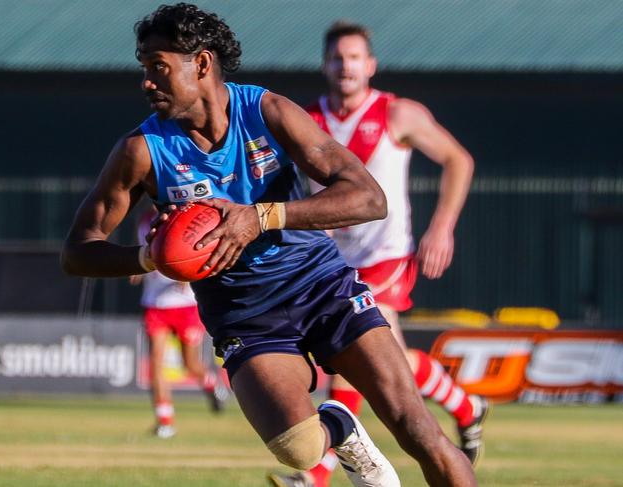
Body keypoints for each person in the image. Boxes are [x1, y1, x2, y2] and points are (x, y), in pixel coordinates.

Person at [61, 4, 477, 486]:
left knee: (417, 428)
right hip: (243, 316)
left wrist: (260, 217)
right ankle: (339, 423)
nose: (146, 82)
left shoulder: (266, 111)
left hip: (321, 288)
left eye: (158, 67)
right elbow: (77, 251)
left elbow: (368, 197)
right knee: (298, 450)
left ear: (201, 64)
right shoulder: (141, 151)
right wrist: (146, 258)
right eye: (144, 68)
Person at [268, 21, 486, 487]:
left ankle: (315, 474)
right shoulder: (305, 119)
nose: (344, 66)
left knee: (352, 358)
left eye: (353, 57)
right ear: (324, 65)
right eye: (336, 58)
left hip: (386, 258)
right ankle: (468, 406)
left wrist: (442, 227)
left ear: (370, 65)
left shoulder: (396, 113)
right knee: (394, 362)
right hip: (329, 263)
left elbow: (458, 160)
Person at [129, 206, 226, 439]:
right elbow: (145, 253)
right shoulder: (143, 219)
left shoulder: (184, 214)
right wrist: (136, 269)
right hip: (155, 303)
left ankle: (211, 385)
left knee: (190, 364)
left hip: (184, 304)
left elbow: (197, 251)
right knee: (155, 363)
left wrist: (187, 273)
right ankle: (165, 420)